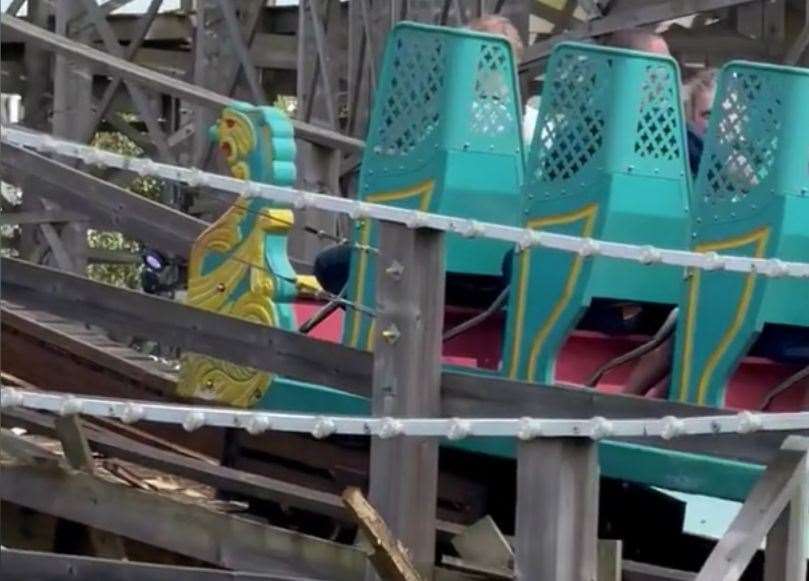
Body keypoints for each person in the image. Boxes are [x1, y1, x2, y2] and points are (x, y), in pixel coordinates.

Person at [683, 68, 716, 176]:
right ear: (692, 118)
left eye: (726, 113)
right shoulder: (686, 155)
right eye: (708, 115)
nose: (717, 123)